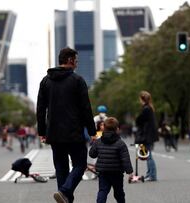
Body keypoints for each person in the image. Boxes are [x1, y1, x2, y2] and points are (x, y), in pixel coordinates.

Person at [37, 47, 96, 203]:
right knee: (80, 164)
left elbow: (40, 109)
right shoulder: (77, 80)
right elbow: (86, 108)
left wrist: (42, 131)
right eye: (76, 60)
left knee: (61, 168)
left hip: (54, 133)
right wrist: (92, 131)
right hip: (74, 131)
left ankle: (64, 196)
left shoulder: (45, 81)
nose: (77, 64)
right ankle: (65, 191)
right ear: (70, 60)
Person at [89, 117, 133, 203]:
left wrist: (93, 143)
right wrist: (129, 171)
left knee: (103, 191)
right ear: (117, 129)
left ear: (104, 128)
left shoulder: (98, 141)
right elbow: (125, 159)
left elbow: (92, 154)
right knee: (119, 192)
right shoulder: (120, 143)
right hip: (117, 172)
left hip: (103, 172)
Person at [135, 90, 159, 182]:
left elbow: (139, 121)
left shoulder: (146, 109)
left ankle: (152, 175)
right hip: (149, 135)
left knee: (148, 156)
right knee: (148, 155)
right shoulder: (149, 108)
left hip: (147, 136)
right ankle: (149, 173)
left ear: (142, 99)